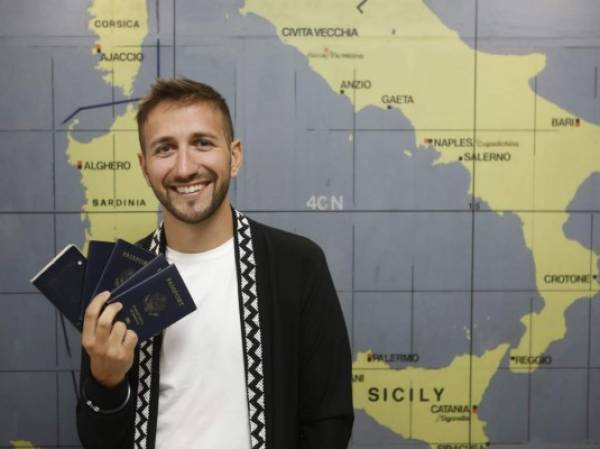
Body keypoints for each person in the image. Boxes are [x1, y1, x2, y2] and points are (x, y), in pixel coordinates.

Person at [76, 78, 354, 449]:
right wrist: (105, 380)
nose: (185, 167)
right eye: (165, 149)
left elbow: (328, 419)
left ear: (234, 156)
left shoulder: (298, 265)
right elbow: (97, 441)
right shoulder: (119, 280)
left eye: (202, 143)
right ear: (144, 167)